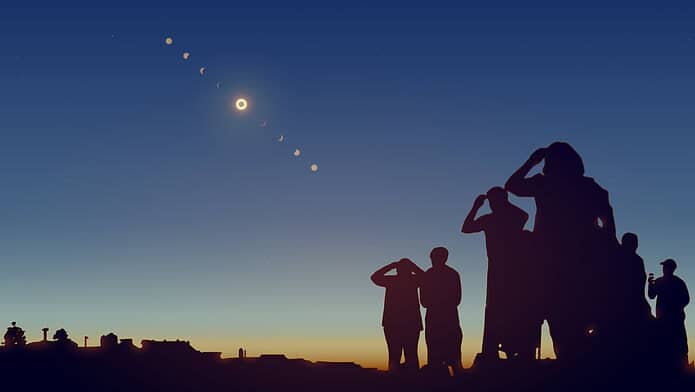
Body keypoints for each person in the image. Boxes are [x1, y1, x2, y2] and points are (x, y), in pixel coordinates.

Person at [505, 142, 617, 361]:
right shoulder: (592, 189)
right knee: (571, 323)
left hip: (547, 264)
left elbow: (512, 185)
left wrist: (531, 161)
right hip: (579, 264)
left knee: (544, 319)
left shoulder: (545, 183)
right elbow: (609, 228)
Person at [462, 187, 539, 361]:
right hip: (500, 269)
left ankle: (511, 347)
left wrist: (477, 206)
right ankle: (495, 349)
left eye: (493, 201)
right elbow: (466, 228)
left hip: (511, 269)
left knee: (507, 309)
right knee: (496, 310)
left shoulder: (499, 218)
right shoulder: (495, 218)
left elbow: (524, 216)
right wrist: (478, 206)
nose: (491, 205)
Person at [371, 258, 423, 371]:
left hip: (396, 323)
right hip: (405, 323)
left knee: (397, 356)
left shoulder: (393, 280)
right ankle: (412, 382)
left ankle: (396, 381)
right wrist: (412, 266)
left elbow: (375, 277)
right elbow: (374, 277)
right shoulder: (413, 280)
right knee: (409, 355)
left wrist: (391, 265)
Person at [420, 247, 463, 374]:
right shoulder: (451, 274)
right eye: (432, 257)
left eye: (435, 257)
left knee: (449, 354)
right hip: (441, 319)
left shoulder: (431, 275)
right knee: (438, 355)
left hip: (444, 320)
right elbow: (424, 301)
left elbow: (456, 299)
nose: (433, 260)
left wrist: (436, 302)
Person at [648, 259, 690, 369]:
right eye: (664, 267)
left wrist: (674, 308)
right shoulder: (659, 281)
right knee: (664, 346)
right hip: (663, 320)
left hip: (675, 320)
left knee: (679, 346)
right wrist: (650, 285)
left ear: (671, 269)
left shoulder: (678, 283)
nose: (663, 269)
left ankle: (681, 370)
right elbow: (651, 295)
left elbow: (686, 299)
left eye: (665, 266)